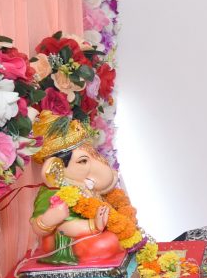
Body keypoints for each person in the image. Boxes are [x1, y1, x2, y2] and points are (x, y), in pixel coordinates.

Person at [28, 112, 145, 265]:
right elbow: (45, 227)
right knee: (107, 242)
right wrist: (50, 219)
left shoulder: (83, 185)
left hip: (93, 232)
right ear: (56, 167)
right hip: (67, 240)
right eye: (82, 161)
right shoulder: (53, 192)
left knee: (116, 233)